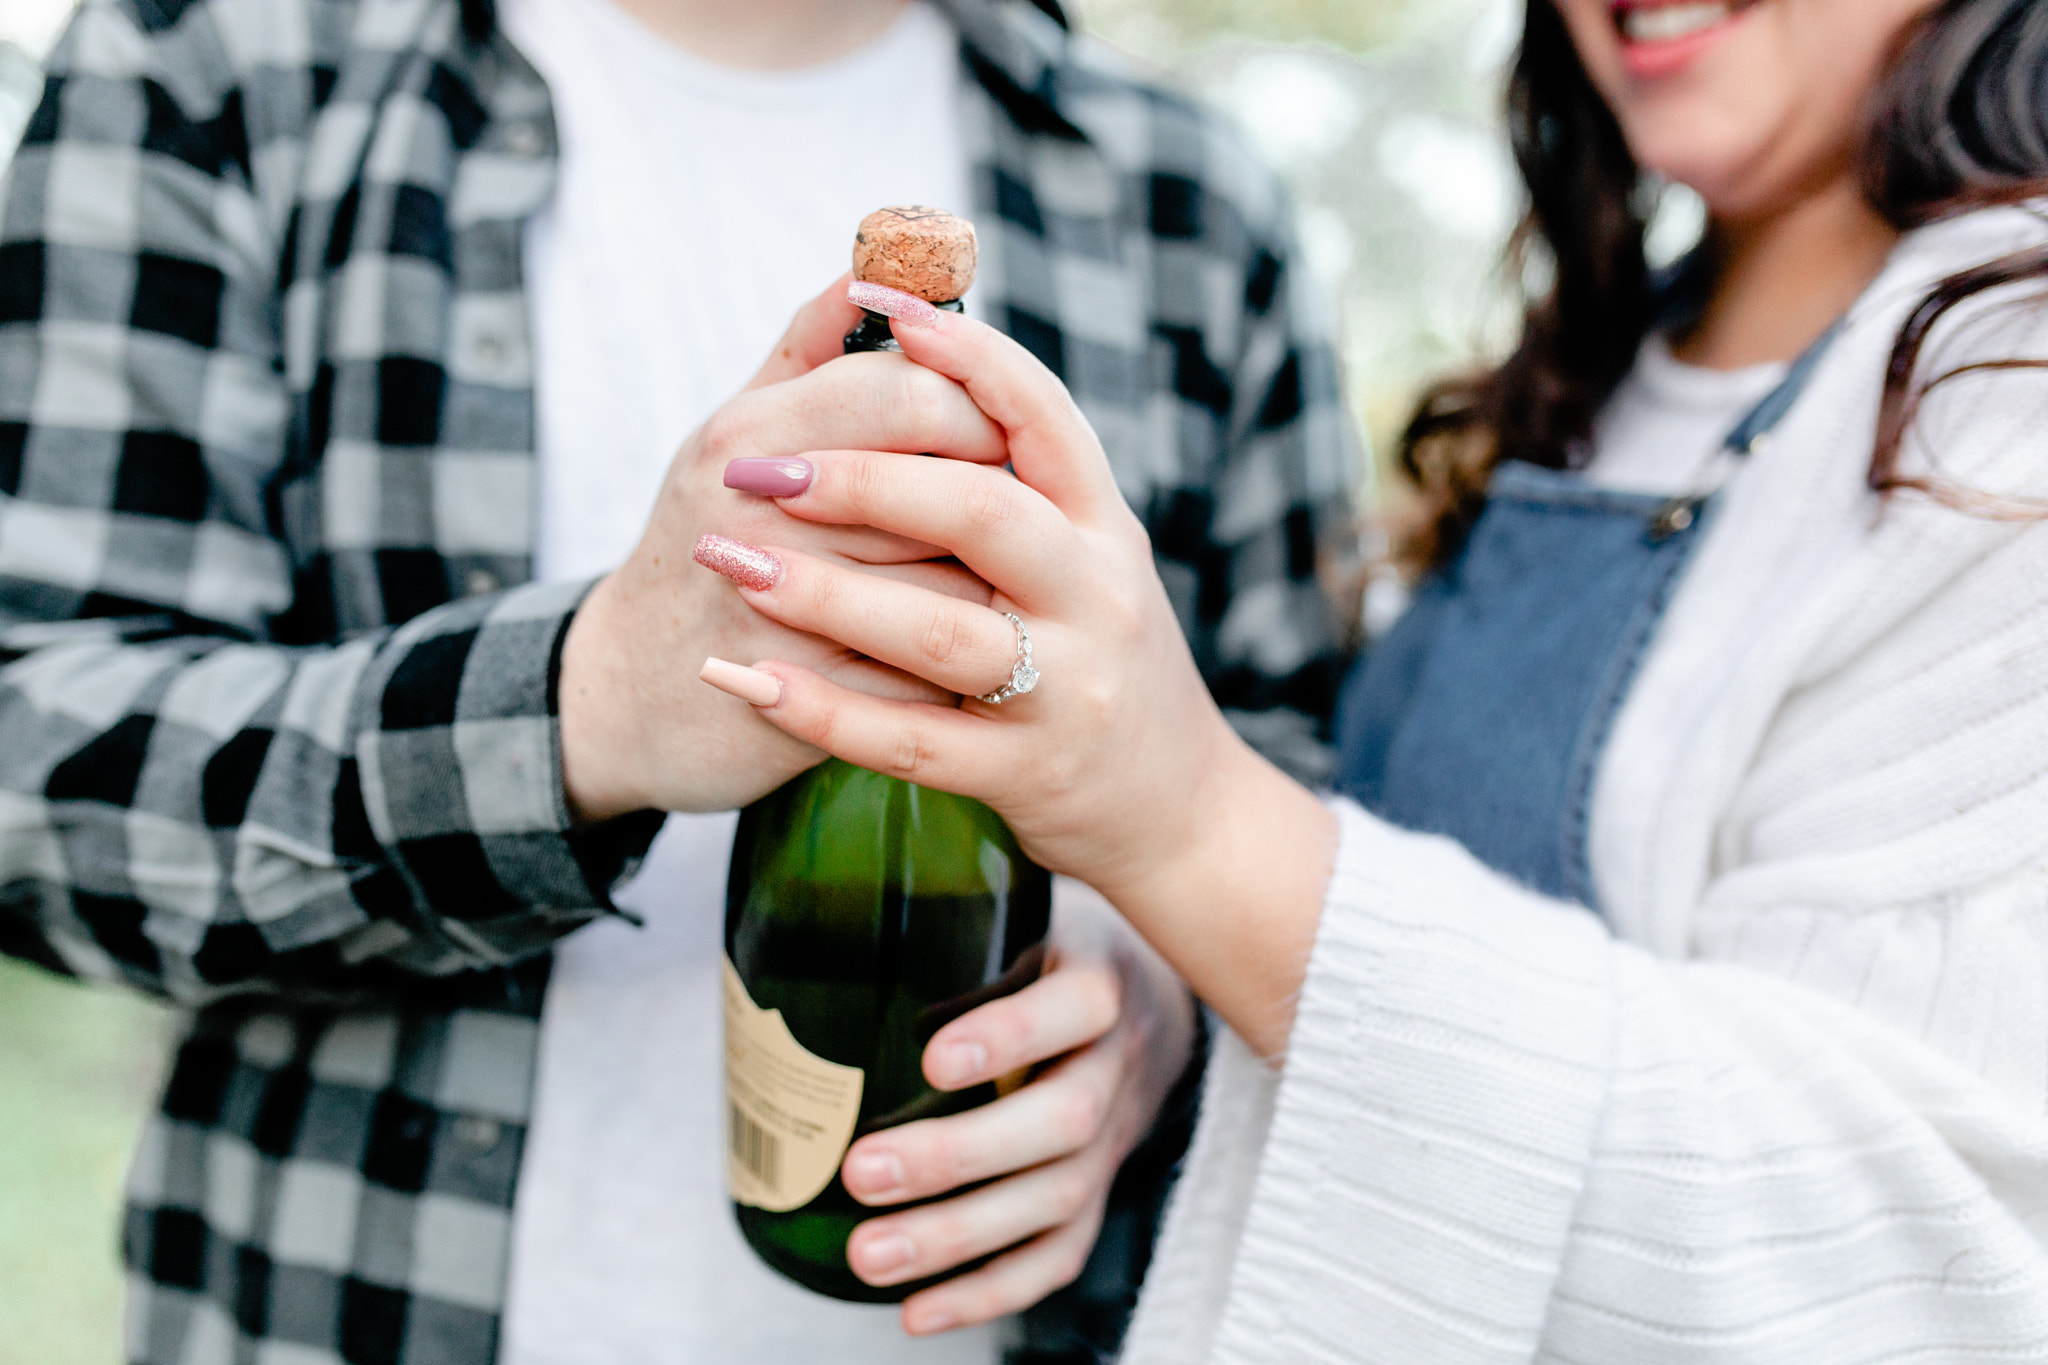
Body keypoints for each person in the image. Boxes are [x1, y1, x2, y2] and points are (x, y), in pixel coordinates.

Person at [0, 0, 1358, 1360]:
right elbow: (29, 761)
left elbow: (1306, 763)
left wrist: (1156, 1000)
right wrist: (586, 698)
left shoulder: (1196, 206)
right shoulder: (219, 62)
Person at [693, 0, 2048, 1357]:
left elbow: (1927, 1263)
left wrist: (1192, 820)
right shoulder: (1596, 379)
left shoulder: (2013, 394)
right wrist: (1162, 981)